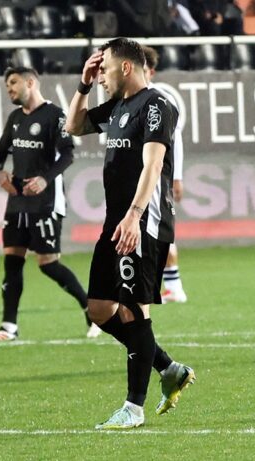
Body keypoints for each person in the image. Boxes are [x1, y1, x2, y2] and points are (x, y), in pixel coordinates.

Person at [66, 38, 195, 430]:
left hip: (143, 221)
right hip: (116, 221)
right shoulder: (118, 106)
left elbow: (153, 164)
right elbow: (74, 126)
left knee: (133, 310)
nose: (102, 77)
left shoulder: (156, 105)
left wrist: (135, 215)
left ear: (125, 67)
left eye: (104, 70)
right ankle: (168, 368)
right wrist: (84, 83)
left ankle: (133, 409)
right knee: (98, 308)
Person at [0, 66, 101, 342]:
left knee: (48, 264)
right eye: (7, 85)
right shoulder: (15, 118)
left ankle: (93, 313)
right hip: (17, 202)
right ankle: (8, 327)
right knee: (12, 261)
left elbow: (68, 154)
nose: (9, 89)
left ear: (30, 82)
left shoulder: (55, 115)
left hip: (45, 201)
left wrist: (45, 179)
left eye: (13, 83)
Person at [141, 46, 188, 304]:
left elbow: (175, 140)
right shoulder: (133, 98)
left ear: (151, 71)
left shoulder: (160, 99)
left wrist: (177, 177)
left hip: (159, 177)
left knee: (159, 230)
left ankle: (173, 285)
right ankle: (171, 285)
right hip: (142, 176)